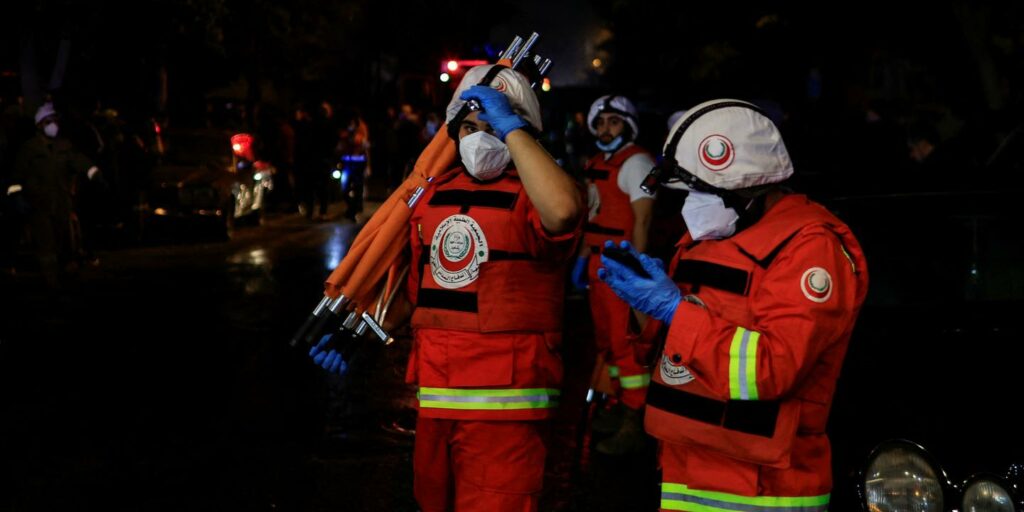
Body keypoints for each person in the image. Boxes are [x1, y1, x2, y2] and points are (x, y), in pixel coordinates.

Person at [310, 64, 584, 511]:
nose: (481, 138)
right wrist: (357, 335)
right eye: (470, 126)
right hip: (437, 401)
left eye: (494, 126)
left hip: (507, 411)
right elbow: (418, 294)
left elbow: (563, 214)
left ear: (522, 131)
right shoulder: (431, 196)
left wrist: (512, 127)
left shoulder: (540, 192)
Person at [597, 99, 868, 511]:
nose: (691, 205)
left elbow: (770, 370)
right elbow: (669, 354)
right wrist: (644, 300)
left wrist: (674, 309)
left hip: (764, 489)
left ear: (748, 184)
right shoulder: (712, 234)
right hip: (687, 469)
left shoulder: (811, 248)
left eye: (700, 190)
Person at [571, 94, 656, 455]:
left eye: (614, 122)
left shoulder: (637, 162)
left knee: (627, 345)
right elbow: (594, 213)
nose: (606, 128)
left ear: (628, 125)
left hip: (621, 265)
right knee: (607, 342)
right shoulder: (596, 161)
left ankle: (637, 420)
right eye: (601, 121)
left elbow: (643, 219)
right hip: (599, 264)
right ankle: (620, 406)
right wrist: (583, 256)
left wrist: (635, 270)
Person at [11, 102, 98, 288]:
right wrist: (17, 197)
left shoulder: (64, 146)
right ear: (40, 124)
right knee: (46, 245)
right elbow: (16, 176)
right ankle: (50, 283)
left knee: (61, 243)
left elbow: (78, 162)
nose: (54, 125)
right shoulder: (29, 149)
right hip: (39, 204)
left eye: (55, 121)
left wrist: (93, 172)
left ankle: (60, 279)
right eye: (49, 121)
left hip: (61, 202)